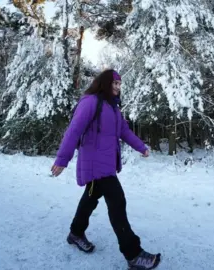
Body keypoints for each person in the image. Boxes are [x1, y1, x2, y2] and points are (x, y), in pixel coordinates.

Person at [51, 69, 161, 270]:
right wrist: (62, 159)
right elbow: (74, 129)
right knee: (117, 202)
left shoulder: (113, 108)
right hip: (96, 164)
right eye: (115, 83)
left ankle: (75, 233)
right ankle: (133, 254)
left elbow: (124, 131)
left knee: (90, 198)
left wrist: (141, 147)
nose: (118, 87)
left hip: (105, 164)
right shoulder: (91, 102)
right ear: (105, 83)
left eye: (120, 84)